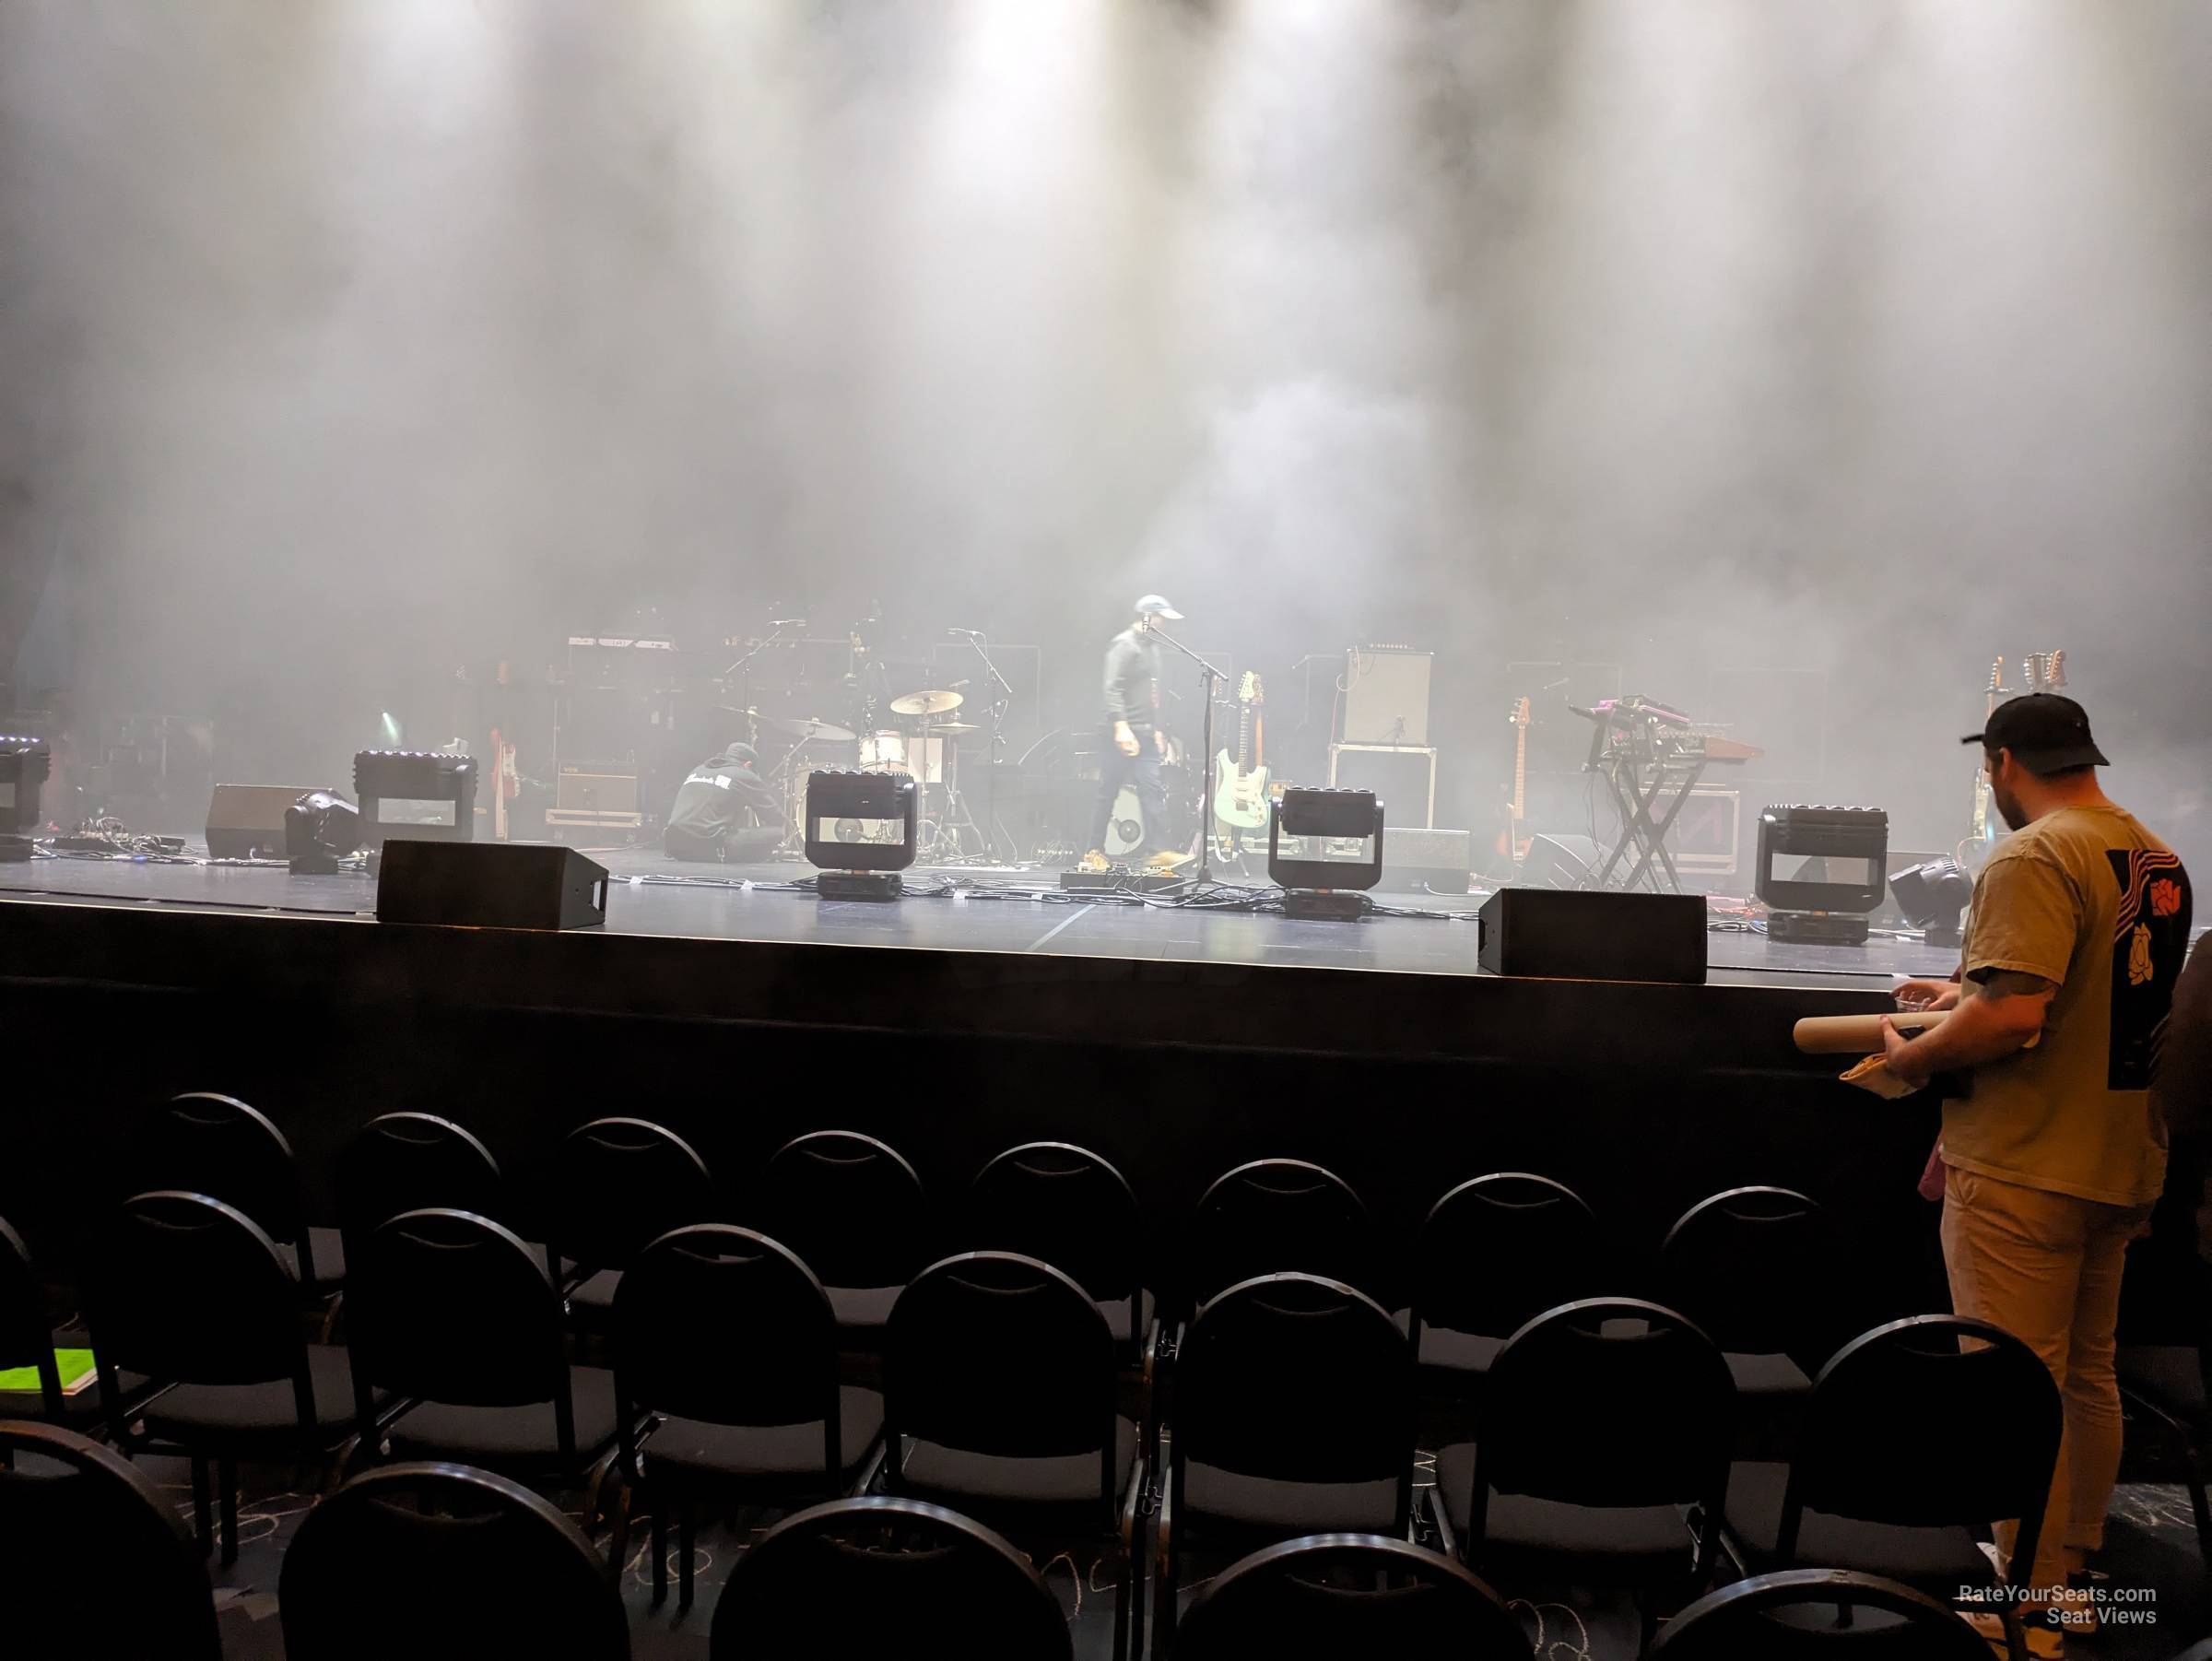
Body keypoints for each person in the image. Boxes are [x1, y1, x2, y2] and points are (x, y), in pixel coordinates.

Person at [1882, 694, 2193, 1643]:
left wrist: (1913, 1057)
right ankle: (2070, 1577)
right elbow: (2092, 992)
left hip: (2026, 1167)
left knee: (2015, 1387)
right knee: (2086, 1373)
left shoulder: (2028, 853)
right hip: (2119, 1159)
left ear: (2004, 761)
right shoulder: (2151, 854)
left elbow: (2016, 1019)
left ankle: (2026, 1618)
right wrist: (1965, 990)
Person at [1078, 595, 1193, 875]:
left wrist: (1157, 729)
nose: (1166, 624)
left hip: (1144, 732)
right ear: (1148, 617)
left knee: (1152, 789)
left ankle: (1158, 851)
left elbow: (1152, 693)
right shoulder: (1124, 645)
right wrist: (1120, 725)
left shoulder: (1152, 648)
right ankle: (1093, 850)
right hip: (1117, 732)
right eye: (1162, 618)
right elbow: (1112, 687)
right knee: (1108, 791)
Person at [664, 741, 784, 864]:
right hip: (710, 847)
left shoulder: (698, 769)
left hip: (675, 846)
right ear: (748, 765)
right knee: (777, 832)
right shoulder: (745, 775)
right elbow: (776, 817)